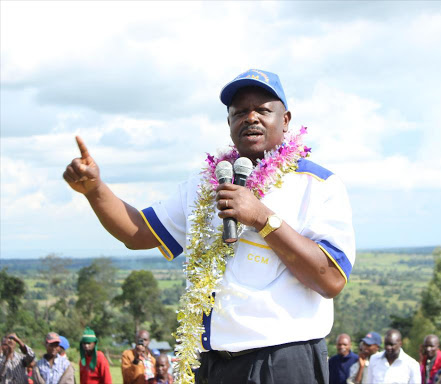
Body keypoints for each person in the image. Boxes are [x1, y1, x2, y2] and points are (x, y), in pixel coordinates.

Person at [63, 68, 356, 384]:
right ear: (229, 124)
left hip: (283, 361)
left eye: (263, 110)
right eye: (239, 112)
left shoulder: (316, 184)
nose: (251, 118)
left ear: (285, 120)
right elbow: (138, 232)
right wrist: (95, 190)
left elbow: (331, 280)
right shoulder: (204, 185)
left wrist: (261, 218)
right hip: (212, 365)